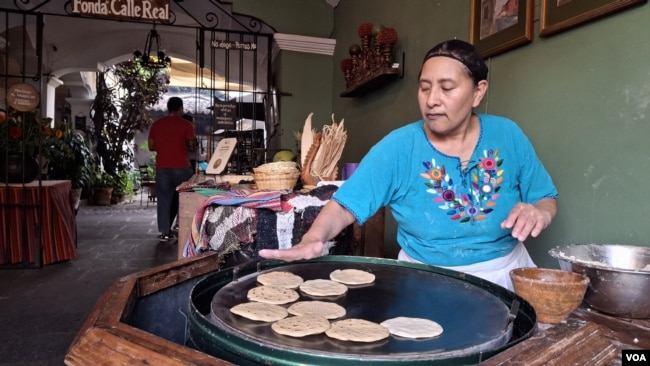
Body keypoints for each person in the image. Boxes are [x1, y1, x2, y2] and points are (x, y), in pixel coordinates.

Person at [259, 39, 558, 291]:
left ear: (478, 91)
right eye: (424, 88)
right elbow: (345, 205)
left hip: (507, 275)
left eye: (447, 88)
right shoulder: (398, 147)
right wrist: (313, 238)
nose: (432, 100)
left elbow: (546, 198)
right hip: (426, 280)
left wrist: (539, 212)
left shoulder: (508, 135)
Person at [148, 97, 196, 241]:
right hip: (182, 167)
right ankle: (183, 225)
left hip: (163, 167)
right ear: (180, 108)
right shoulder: (187, 125)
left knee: (163, 199)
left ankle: (164, 232)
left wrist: (164, 146)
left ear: (168, 108)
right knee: (184, 197)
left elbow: (151, 146)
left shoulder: (157, 124)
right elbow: (191, 146)